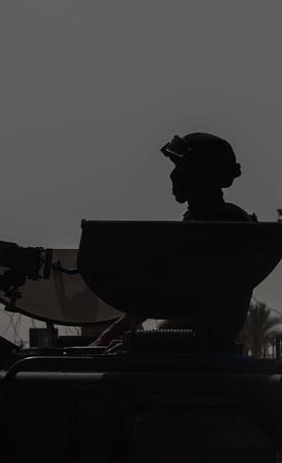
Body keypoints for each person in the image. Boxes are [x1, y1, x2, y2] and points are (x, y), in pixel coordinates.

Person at [90, 132, 256, 349]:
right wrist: (111, 335)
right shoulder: (208, 219)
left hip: (199, 347)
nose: (173, 176)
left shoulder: (224, 225)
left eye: (182, 168)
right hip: (191, 344)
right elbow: (160, 290)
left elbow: (198, 301)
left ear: (202, 175)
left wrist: (141, 341)